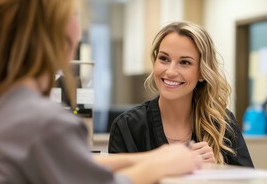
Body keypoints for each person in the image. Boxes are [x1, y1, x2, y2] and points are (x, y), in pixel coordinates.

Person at [0, 0, 201, 184]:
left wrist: (151, 157)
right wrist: (161, 165)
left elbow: (70, 166)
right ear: (55, 26)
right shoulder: (45, 122)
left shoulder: (1, 107)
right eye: (73, 13)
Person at [109, 21, 254, 167]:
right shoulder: (128, 126)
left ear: (202, 73)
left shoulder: (222, 124)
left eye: (185, 62)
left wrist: (215, 170)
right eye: (164, 59)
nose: (171, 72)